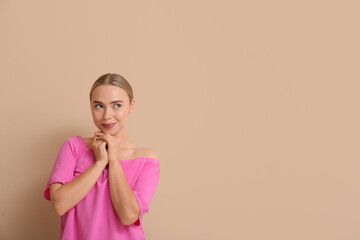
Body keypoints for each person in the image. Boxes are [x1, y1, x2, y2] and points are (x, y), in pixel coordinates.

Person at [44, 73, 160, 240]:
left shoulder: (146, 160)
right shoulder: (74, 147)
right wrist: (100, 163)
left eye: (117, 105)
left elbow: (128, 215)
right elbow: (60, 205)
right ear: (90, 106)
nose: (107, 115)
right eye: (99, 106)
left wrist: (113, 161)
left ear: (131, 105)